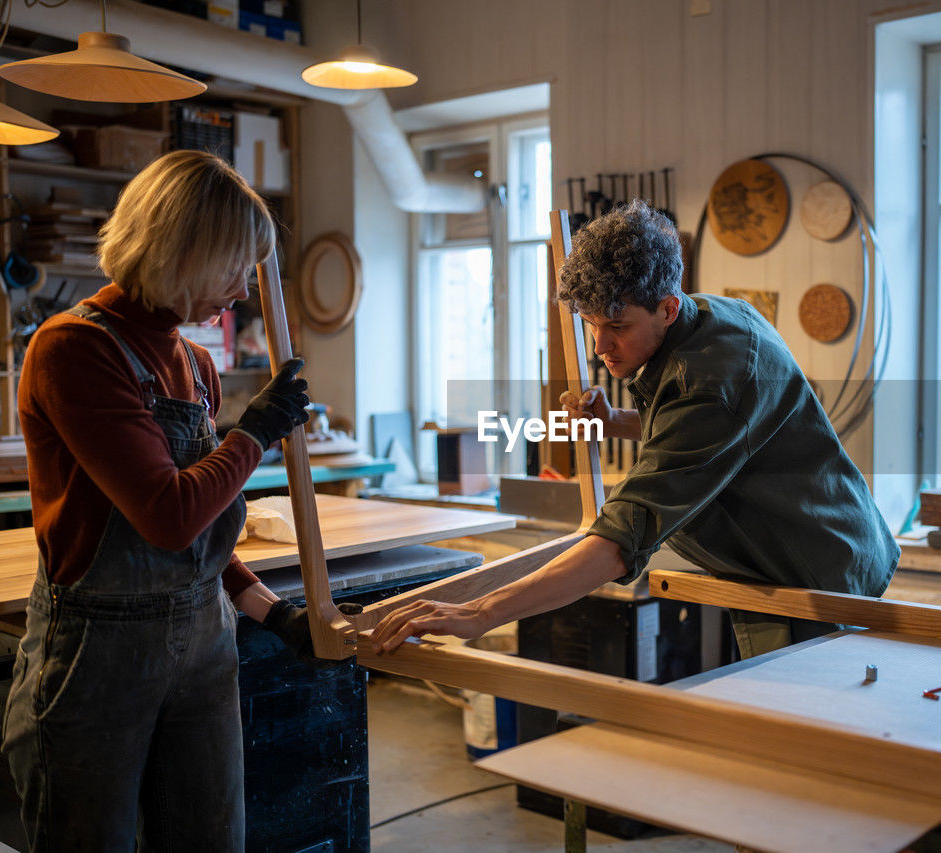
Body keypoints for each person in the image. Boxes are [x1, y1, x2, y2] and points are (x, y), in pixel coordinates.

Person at [370, 199, 899, 659]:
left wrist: (481, 612)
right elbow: (701, 436)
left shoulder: (711, 380)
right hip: (803, 553)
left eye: (617, 326)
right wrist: (613, 420)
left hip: (818, 574)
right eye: (591, 324)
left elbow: (623, 538)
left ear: (666, 308)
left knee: (805, 749)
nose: (601, 347)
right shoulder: (711, 319)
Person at [2, 149, 326, 851]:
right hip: (99, 653)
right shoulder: (71, 349)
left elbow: (200, 542)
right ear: (183, 249)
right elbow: (167, 514)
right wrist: (255, 433)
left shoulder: (196, 361)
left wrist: (274, 612)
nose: (242, 290)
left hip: (204, 643)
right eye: (234, 266)